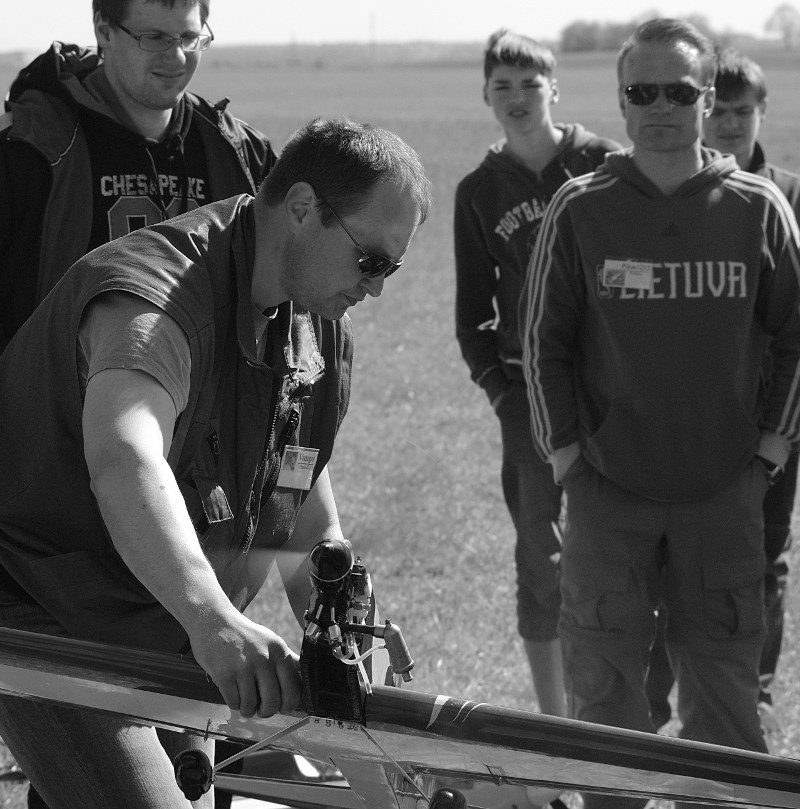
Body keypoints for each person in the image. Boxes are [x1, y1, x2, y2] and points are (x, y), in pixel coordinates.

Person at [0, 117, 431, 809]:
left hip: (162, 618)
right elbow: (124, 457)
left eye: (391, 269)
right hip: (41, 599)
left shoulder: (313, 324)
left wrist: (345, 639)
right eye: (370, 261)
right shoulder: (155, 300)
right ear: (301, 208)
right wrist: (213, 619)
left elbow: (303, 510)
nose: (375, 288)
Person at [521, 18, 800, 809]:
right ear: (621, 99)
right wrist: (567, 456)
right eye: (641, 91)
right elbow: (543, 344)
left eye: (677, 91)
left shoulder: (757, 207)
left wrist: (770, 448)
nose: (659, 107)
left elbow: (795, 335)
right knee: (606, 696)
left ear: (707, 98)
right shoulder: (582, 207)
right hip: (608, 493)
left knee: (724, 701)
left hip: (724, 493)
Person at [453, 28, 620, 721]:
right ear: (486, 95)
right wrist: (502, 394)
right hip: (527, 395)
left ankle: (616, 703)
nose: (518, 98)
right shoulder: (479, 191)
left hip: (608, 389)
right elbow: (472, 318)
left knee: (618, 543)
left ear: (556, 88)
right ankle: (555, 720)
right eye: (503, 86)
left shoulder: (603, 162)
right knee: (540, 557)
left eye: (530, 84)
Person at [645, 46, 800, 738]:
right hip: (693, 421)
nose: (732, 123)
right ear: (703, 109)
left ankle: (750, 696)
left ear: (762, 111)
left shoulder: (788, 195)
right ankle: (660, 701)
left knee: (763, 558)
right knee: (670, 561)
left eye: (744, 110)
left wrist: (778, 434)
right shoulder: (686, 194)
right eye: (722, 110)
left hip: (775, 422)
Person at [0, 0, 277, 353]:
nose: (176, 57)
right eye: (154, 37)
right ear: (104, 30)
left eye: (188, 37)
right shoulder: (27, 151)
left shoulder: (240, 153)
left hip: (200, 385)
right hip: (61, 384)